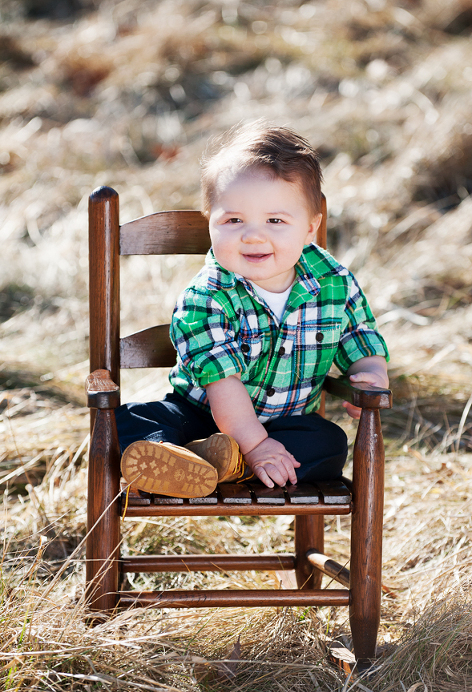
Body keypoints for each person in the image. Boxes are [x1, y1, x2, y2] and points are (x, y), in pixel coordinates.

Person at [116, 122, 389, 498]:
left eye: (275, 220)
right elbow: (223, 386)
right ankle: (180, 457)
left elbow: (360, 337)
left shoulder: (333, 281)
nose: (253, 235)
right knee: (132, 420)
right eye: (233, 220)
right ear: (210, 221)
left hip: (285, 426)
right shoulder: (205, 297)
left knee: (328, 441)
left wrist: (370, 375)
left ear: (311, 228)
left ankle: (217, 467)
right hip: (201, 416)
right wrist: (253, 444)